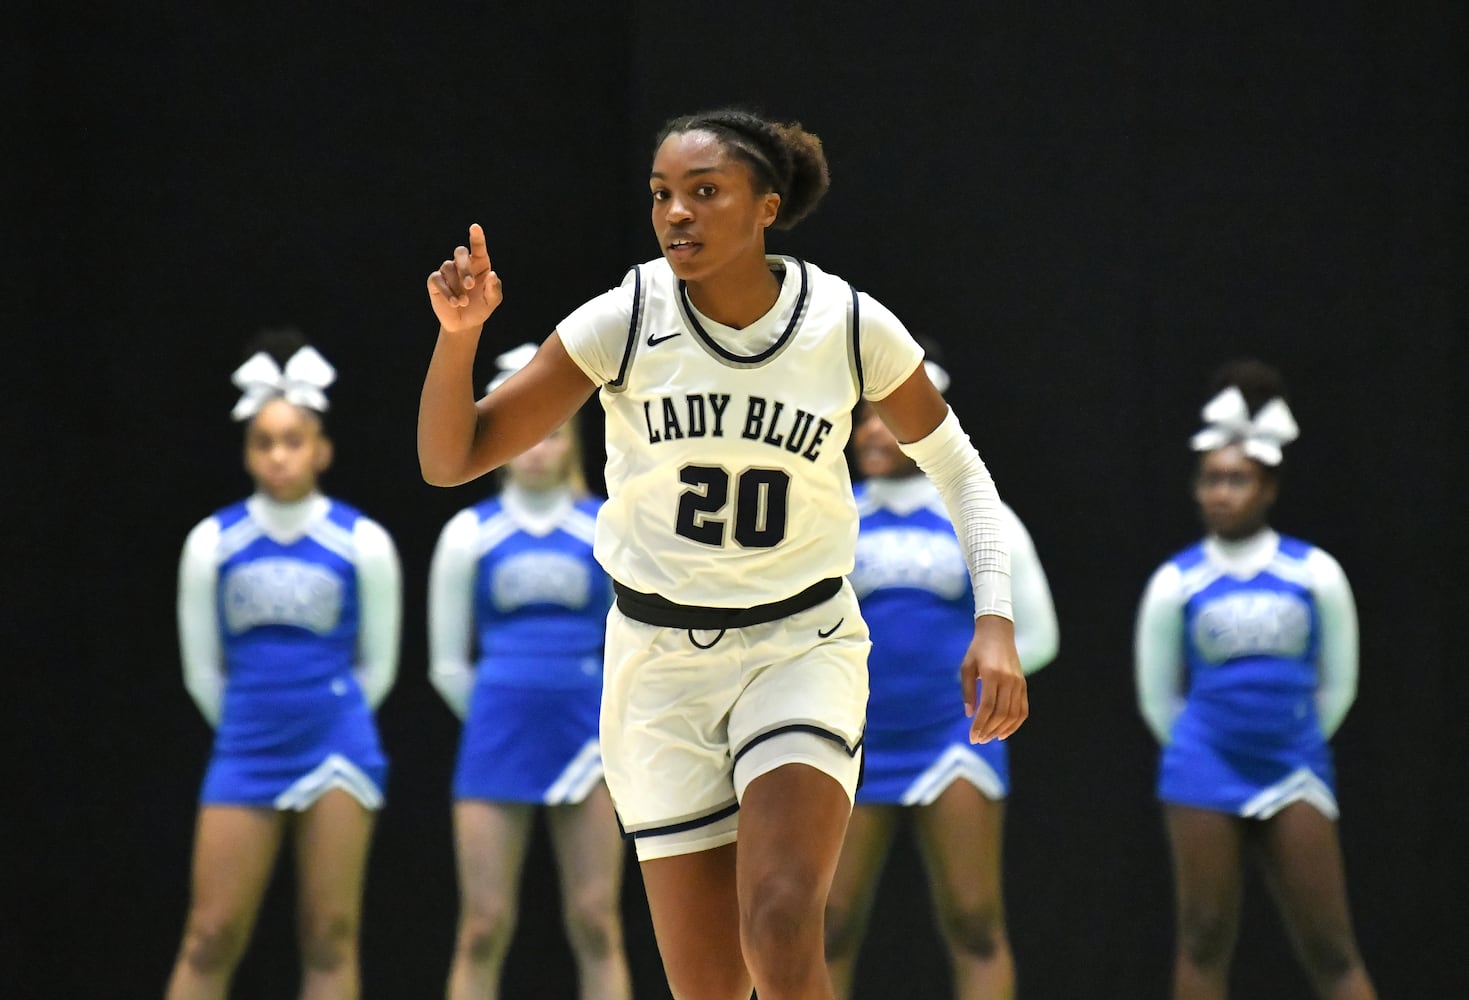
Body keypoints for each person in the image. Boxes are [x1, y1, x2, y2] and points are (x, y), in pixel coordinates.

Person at [417, 108, 1028, 1000]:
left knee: (781, 920)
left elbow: (964, 476)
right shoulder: (624, 317)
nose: (676, 214)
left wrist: (996, 620)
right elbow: (452, 458)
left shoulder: (847, 324)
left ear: (766, 208)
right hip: (658, 669)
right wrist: (458, 335)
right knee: (708, 988)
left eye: (705, 192)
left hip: (798, 645)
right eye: (662, 194)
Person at [168, 332, 401, 1000]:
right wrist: (253, 717)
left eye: (292, 439)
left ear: (322, 449)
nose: (278, 454)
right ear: (246, 452)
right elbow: (200, 672)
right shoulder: (213, 542)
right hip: (245, 748)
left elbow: (378, 669)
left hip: (337, 749)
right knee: (209, 934)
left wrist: (324, 713)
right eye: (263, 441)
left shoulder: (362, 542)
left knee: (329, 933)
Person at [1133, 360, 1376, 1000]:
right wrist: (1203, 743)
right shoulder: (1175, 581)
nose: (1221, 493)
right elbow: (1159, 697)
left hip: (1294, 765)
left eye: (1237, 480)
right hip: (1203, 768)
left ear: (1268, 488)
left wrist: (1292, 736)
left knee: (1331, 945)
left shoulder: (1314, 572)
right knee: (1204, 937)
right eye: (1211, 479)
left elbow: (1339, 684)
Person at [824, 353, 1059, 1000]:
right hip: (854, 742)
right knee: (828, 925)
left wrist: (971, 691)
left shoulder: (980, 516)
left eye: (887, 418)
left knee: (974, 920)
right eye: (863, 419)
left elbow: (1035, 635)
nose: (872, 432)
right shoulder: (830, 512)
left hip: (954, 740)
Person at [428, 344, 632, 1000]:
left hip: (587, 737)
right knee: (482, 925)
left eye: (552, 434)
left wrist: (592, 711)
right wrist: (503, 705)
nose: (538, 449)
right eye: (527, 437)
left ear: (572, 439)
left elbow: (629, 639)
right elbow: (446, 665)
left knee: (597, 920)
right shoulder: (468, 532)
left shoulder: (604, 525)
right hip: (496, 735)